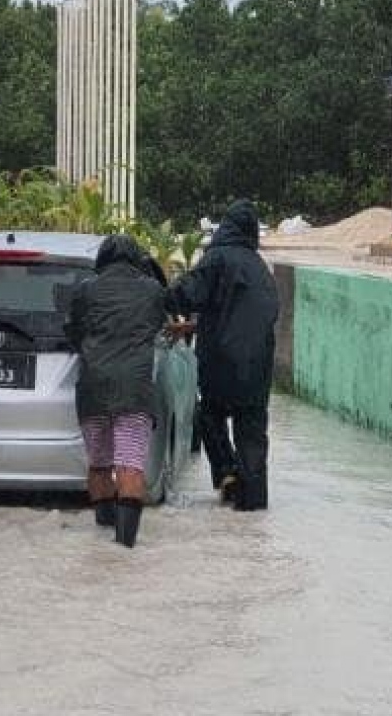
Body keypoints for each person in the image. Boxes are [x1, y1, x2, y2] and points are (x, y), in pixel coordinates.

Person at [166, 199, 280, 511]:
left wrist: (158, 296)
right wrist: (196, 325)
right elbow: (246, 314)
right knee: (252, 435)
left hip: (221, 362)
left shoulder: (217, 259)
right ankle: (252, 508)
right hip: (257, 368)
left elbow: (187, 294)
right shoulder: (260, 268)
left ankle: (227, 473)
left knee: (208, 415)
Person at [65, 234, 168, 546]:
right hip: (135, 391)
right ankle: (124, 547)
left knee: (99, 465)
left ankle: (103, 537)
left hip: (92, 389)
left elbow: (73, 331)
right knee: (130, 465)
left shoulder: (85, 290)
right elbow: (158, 323)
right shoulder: (152, 290)